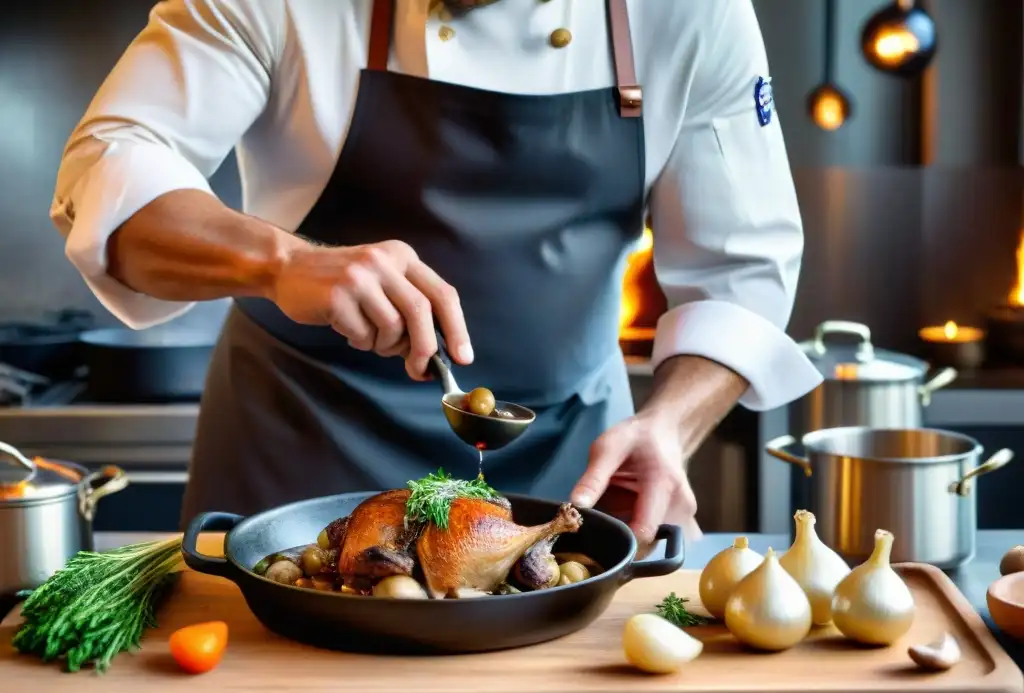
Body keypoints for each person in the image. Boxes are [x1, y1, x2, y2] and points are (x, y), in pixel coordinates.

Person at [50, 0, 822, 545]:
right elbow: (106, 170)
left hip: (567, 474)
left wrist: (669, 425)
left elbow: (737, 272)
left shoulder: (691, 11)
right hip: (295, 459)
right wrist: (284, 261)